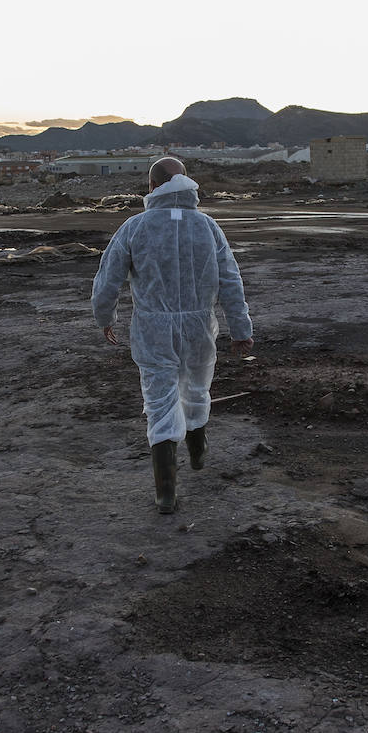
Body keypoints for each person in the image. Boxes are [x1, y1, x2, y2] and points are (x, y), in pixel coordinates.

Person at [91, 156, 253, 514]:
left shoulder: (134, 227)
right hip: (199, 328)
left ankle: (166, 491)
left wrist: (105, 317)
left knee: (160, 400)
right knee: (196, 388)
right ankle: (197, 452)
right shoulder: (208, 226)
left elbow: (108, 280)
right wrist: (240, 329)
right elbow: (230, 280)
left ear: (152, 187)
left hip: (154, 329)